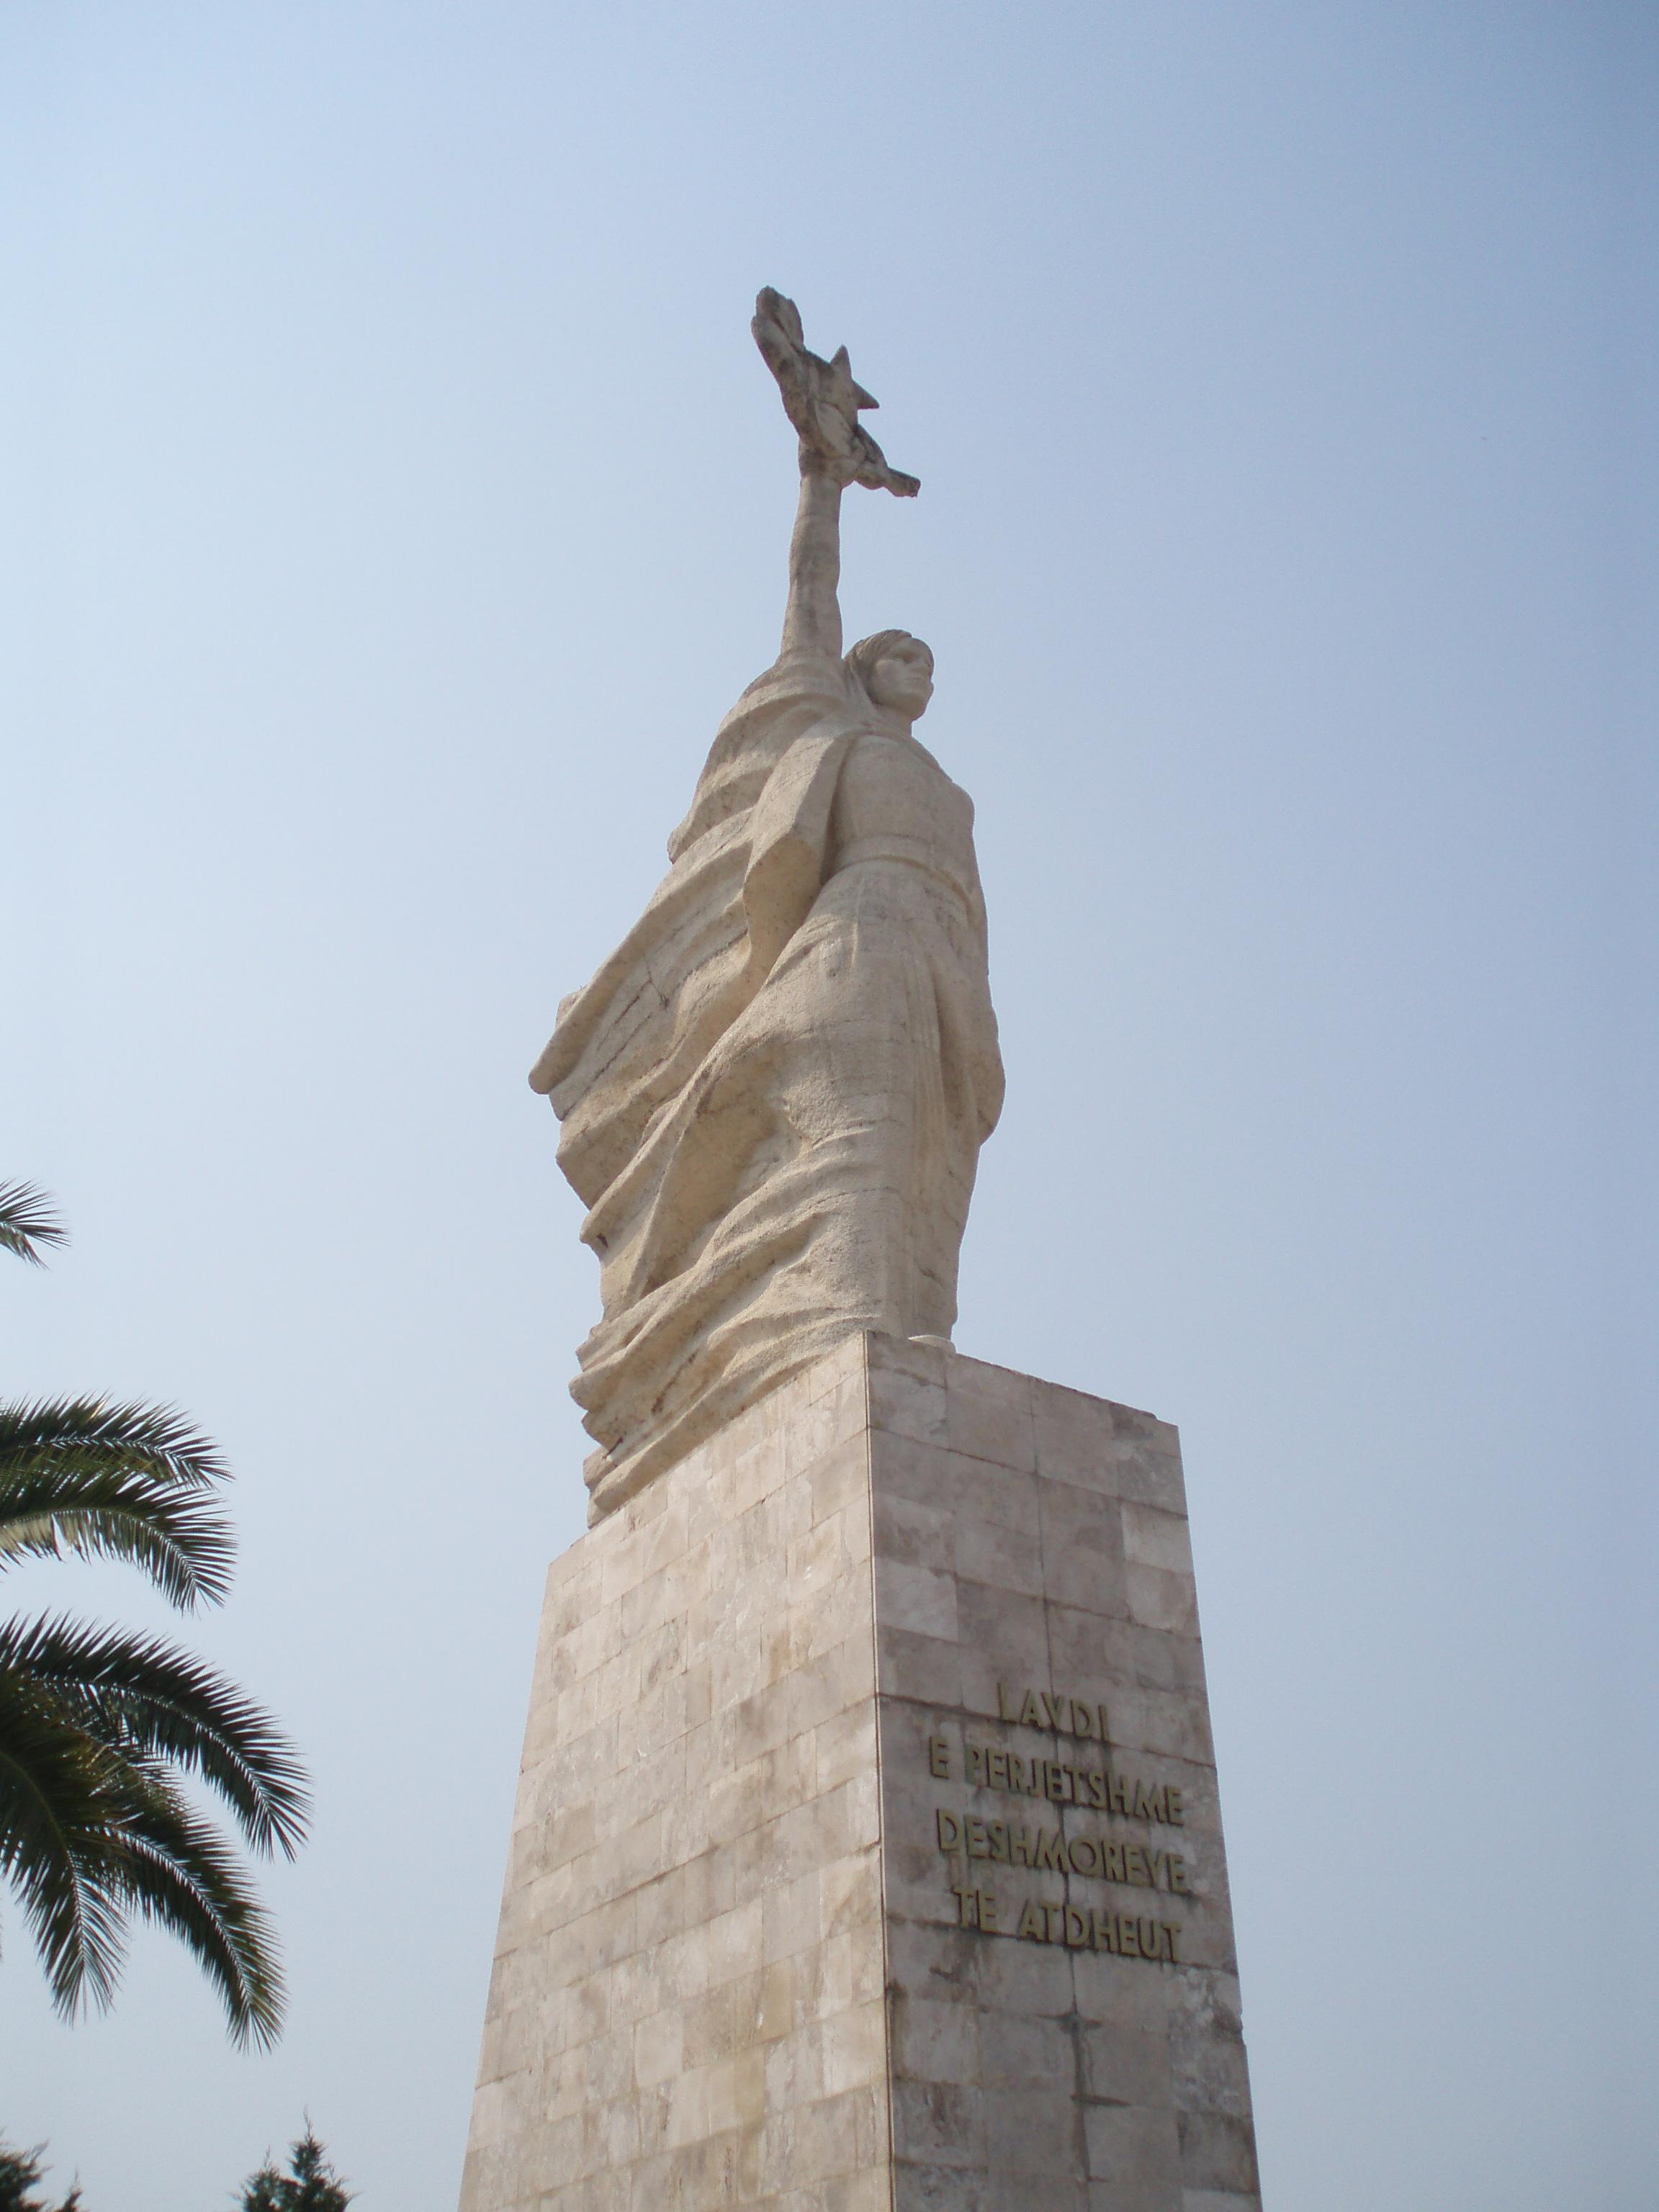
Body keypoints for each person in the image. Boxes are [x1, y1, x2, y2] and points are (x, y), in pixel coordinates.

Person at [532, 293, 1004, 1517]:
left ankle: (885, 1323)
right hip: (849, 943)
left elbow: (975, 913)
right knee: (852, 1140)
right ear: (864, 672)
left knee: (919, 1160)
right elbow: (785, 833)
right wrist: (822, 483)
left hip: (936, 962)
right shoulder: (833, 726)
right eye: (903, 659)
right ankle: (831, 1322)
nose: (920, 676)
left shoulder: (948, 789)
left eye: (931, 669)